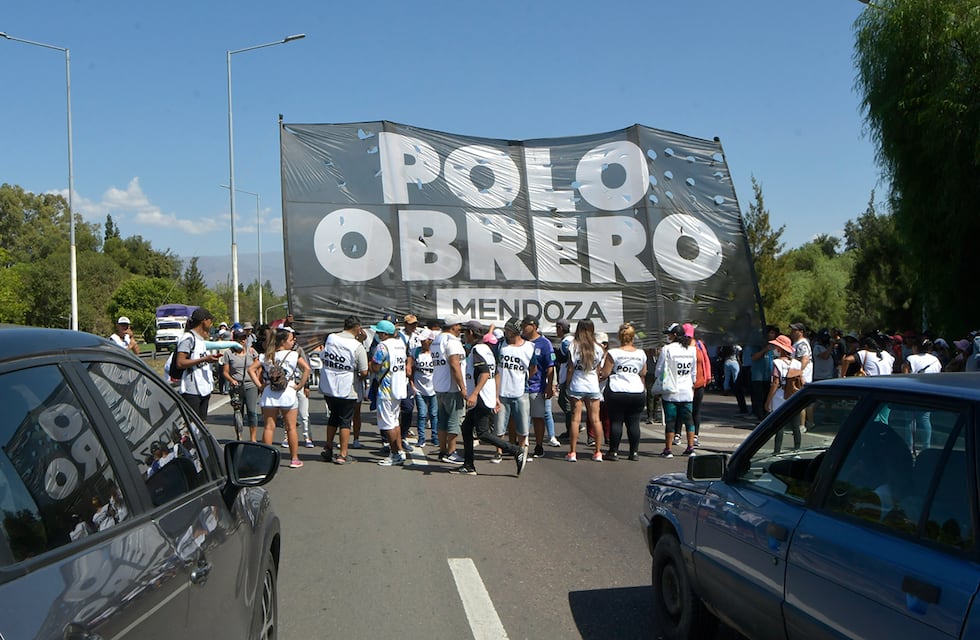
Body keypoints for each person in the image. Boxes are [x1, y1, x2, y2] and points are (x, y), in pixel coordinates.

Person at [454, 320, 527, 476]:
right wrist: (495, 397)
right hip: (486, 395)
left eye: (465, 333)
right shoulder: (487, 349)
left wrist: (473, 394)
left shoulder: (477, 350)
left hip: (480, 397)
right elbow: (496, 374)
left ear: (471, 333)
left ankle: (516, 450)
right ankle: (468, 465)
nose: (464, 336)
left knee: (482, 433)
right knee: (466, 428)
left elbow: (485, 373)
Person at [248, 327, 310, 469]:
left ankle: (266, 459)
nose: (292, 341)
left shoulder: (266, 356)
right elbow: (306, 368)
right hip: (288, 392)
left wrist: (260, 385)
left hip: (269, 392)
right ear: (283, 341)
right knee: (291, 428)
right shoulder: (293, 355)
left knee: (269, 427)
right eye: (290, 339)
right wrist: (300, 385)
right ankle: (294, 458)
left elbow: (250, 369)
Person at [319, 316, 369, 465]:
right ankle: (343, 454)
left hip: (329, 385)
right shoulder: (357, 346)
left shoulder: (331, 338)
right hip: (347, 388)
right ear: (358, 329)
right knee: (345, 421)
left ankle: (328, 447)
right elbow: (364, 371)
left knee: (333, 416)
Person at [600, 322, 647, 460]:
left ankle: (613, 451)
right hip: (637, 390)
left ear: (620, 337)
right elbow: (643, 372)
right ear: (633, 337)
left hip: (617, 390)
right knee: (634, 422)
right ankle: (634, 452)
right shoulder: (641, 353)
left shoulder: (613, 353)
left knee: (616, 421)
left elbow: (606, 373)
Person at [494, 317, 536, 462]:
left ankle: (522, 451)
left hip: (521, 390)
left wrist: (524, 378)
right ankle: (498, 451)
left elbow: (533, 367)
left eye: (509, 330)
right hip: (502, 391)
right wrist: (495, 393)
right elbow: (496, 368)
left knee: (523, 424)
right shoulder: (500, 346)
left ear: (516, 331)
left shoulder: (529, 347)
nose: (506, 332)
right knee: (499, 425)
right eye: (506, 329)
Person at [564, 319, 605, 462]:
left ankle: (572, 452)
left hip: (577, 383)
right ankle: (598, 452)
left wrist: (567, 384)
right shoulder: (599, 347)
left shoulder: (573, 346)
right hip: (593, 384)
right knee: (596, 419)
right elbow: (599, 369)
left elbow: (570, 368)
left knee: (575, 419)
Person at [370, 320, 410, 466]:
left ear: (384, 334)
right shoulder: (400, 344)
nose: (377, 334)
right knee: (394, 422)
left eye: (379, 332)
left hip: (386, 389)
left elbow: (375, 366)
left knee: (387, 424)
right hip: (398, 387)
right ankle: (399, 451)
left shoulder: (383, 346)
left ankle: (394, 454)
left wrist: (370, 365)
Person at [655, 323, 697, 458]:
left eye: (669, 334)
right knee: (689, 420)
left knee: (670, 420)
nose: (667, 336)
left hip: (670, 391)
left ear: (674, 335)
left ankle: (668, 449)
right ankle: (690, 447)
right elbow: (693, 372)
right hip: (687, 390)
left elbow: (659, 371)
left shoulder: (667, 349)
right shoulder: (691, 350)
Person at [174, 308, 222, 422]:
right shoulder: (188, 338)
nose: (211, 324)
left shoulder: (200, 340)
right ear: (204, 321)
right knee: (192, 425)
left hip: (204, 388)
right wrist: (204, 359)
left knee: (201, 424)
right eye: (210, 321)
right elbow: (180, 363)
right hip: (192, 390)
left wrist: (209, 360)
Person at [432, 314, 467, 465]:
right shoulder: (452, 342)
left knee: (442, 420)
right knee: (454, 420)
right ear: (453, 327)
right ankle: (451, 452)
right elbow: (454, 365)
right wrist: (463, 387)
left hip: (439, 385)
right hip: (452, 387)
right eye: (459, 326)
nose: (460, 329)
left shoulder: (437, 340)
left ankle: (442, 450)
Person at [521, 316, 558, 458]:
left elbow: (550, 367)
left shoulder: (545, 343)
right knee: (521, 418)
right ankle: (521, 446)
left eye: (527, 324)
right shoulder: (520, 341)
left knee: (538, 417)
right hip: (521, 387)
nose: (524, 327)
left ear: (535, 326)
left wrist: (550, 386)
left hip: (537, 387)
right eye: (523, 324)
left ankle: (539, 446)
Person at [765, 334, 803, 452]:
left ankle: (777, 451)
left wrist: (767, 401)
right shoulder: (797, 363)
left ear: (780, 349)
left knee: (779, 425)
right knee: (795, 425)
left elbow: (775, 383)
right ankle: (797, 449)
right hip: (794, 394)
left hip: (780, 395)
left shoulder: (777, 363)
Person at [222, 329, 260, 441]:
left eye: (244, 338)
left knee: (252, 412)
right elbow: (225, 372)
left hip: (250, 385)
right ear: (235, 340)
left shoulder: (252, 352)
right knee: (238, 412)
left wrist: (257, 379)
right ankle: (239, 435)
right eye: (240, 338)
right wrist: (231, 380)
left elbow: (258, 366)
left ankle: (253, 438)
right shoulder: (228, 353)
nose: (243, 341)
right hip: (236, 386)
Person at [411, 328, 438, 448]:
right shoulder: (416, 352)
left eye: (424, 340)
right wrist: (412, 384)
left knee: (434, 414)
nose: (422, 343)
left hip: (434, 389)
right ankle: (421, 438)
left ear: (431, 340)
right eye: (421, 341)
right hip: (419, 389)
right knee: (422, 414)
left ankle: (435, 437)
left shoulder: (436, 353)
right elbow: (410, 369)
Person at [687, 323, 712, 448]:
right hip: (685, 384)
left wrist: (708, 376)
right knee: (684, 410)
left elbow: (706, 360)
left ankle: (695, 435)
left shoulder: (700, 345)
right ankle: (678, 434)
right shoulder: (682, 347)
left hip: (699, 382)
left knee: (696, 410)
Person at [749, 325, 779, 420]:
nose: (773, 335)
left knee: (768, 396)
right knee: (759, 397)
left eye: (774, 333)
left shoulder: (774, 345)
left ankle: (766, 415)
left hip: (768, 375)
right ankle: (759, 416)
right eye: (771, 333)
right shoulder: (756, 345)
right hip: (758, 376)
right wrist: (765, 350)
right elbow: (754, 357)